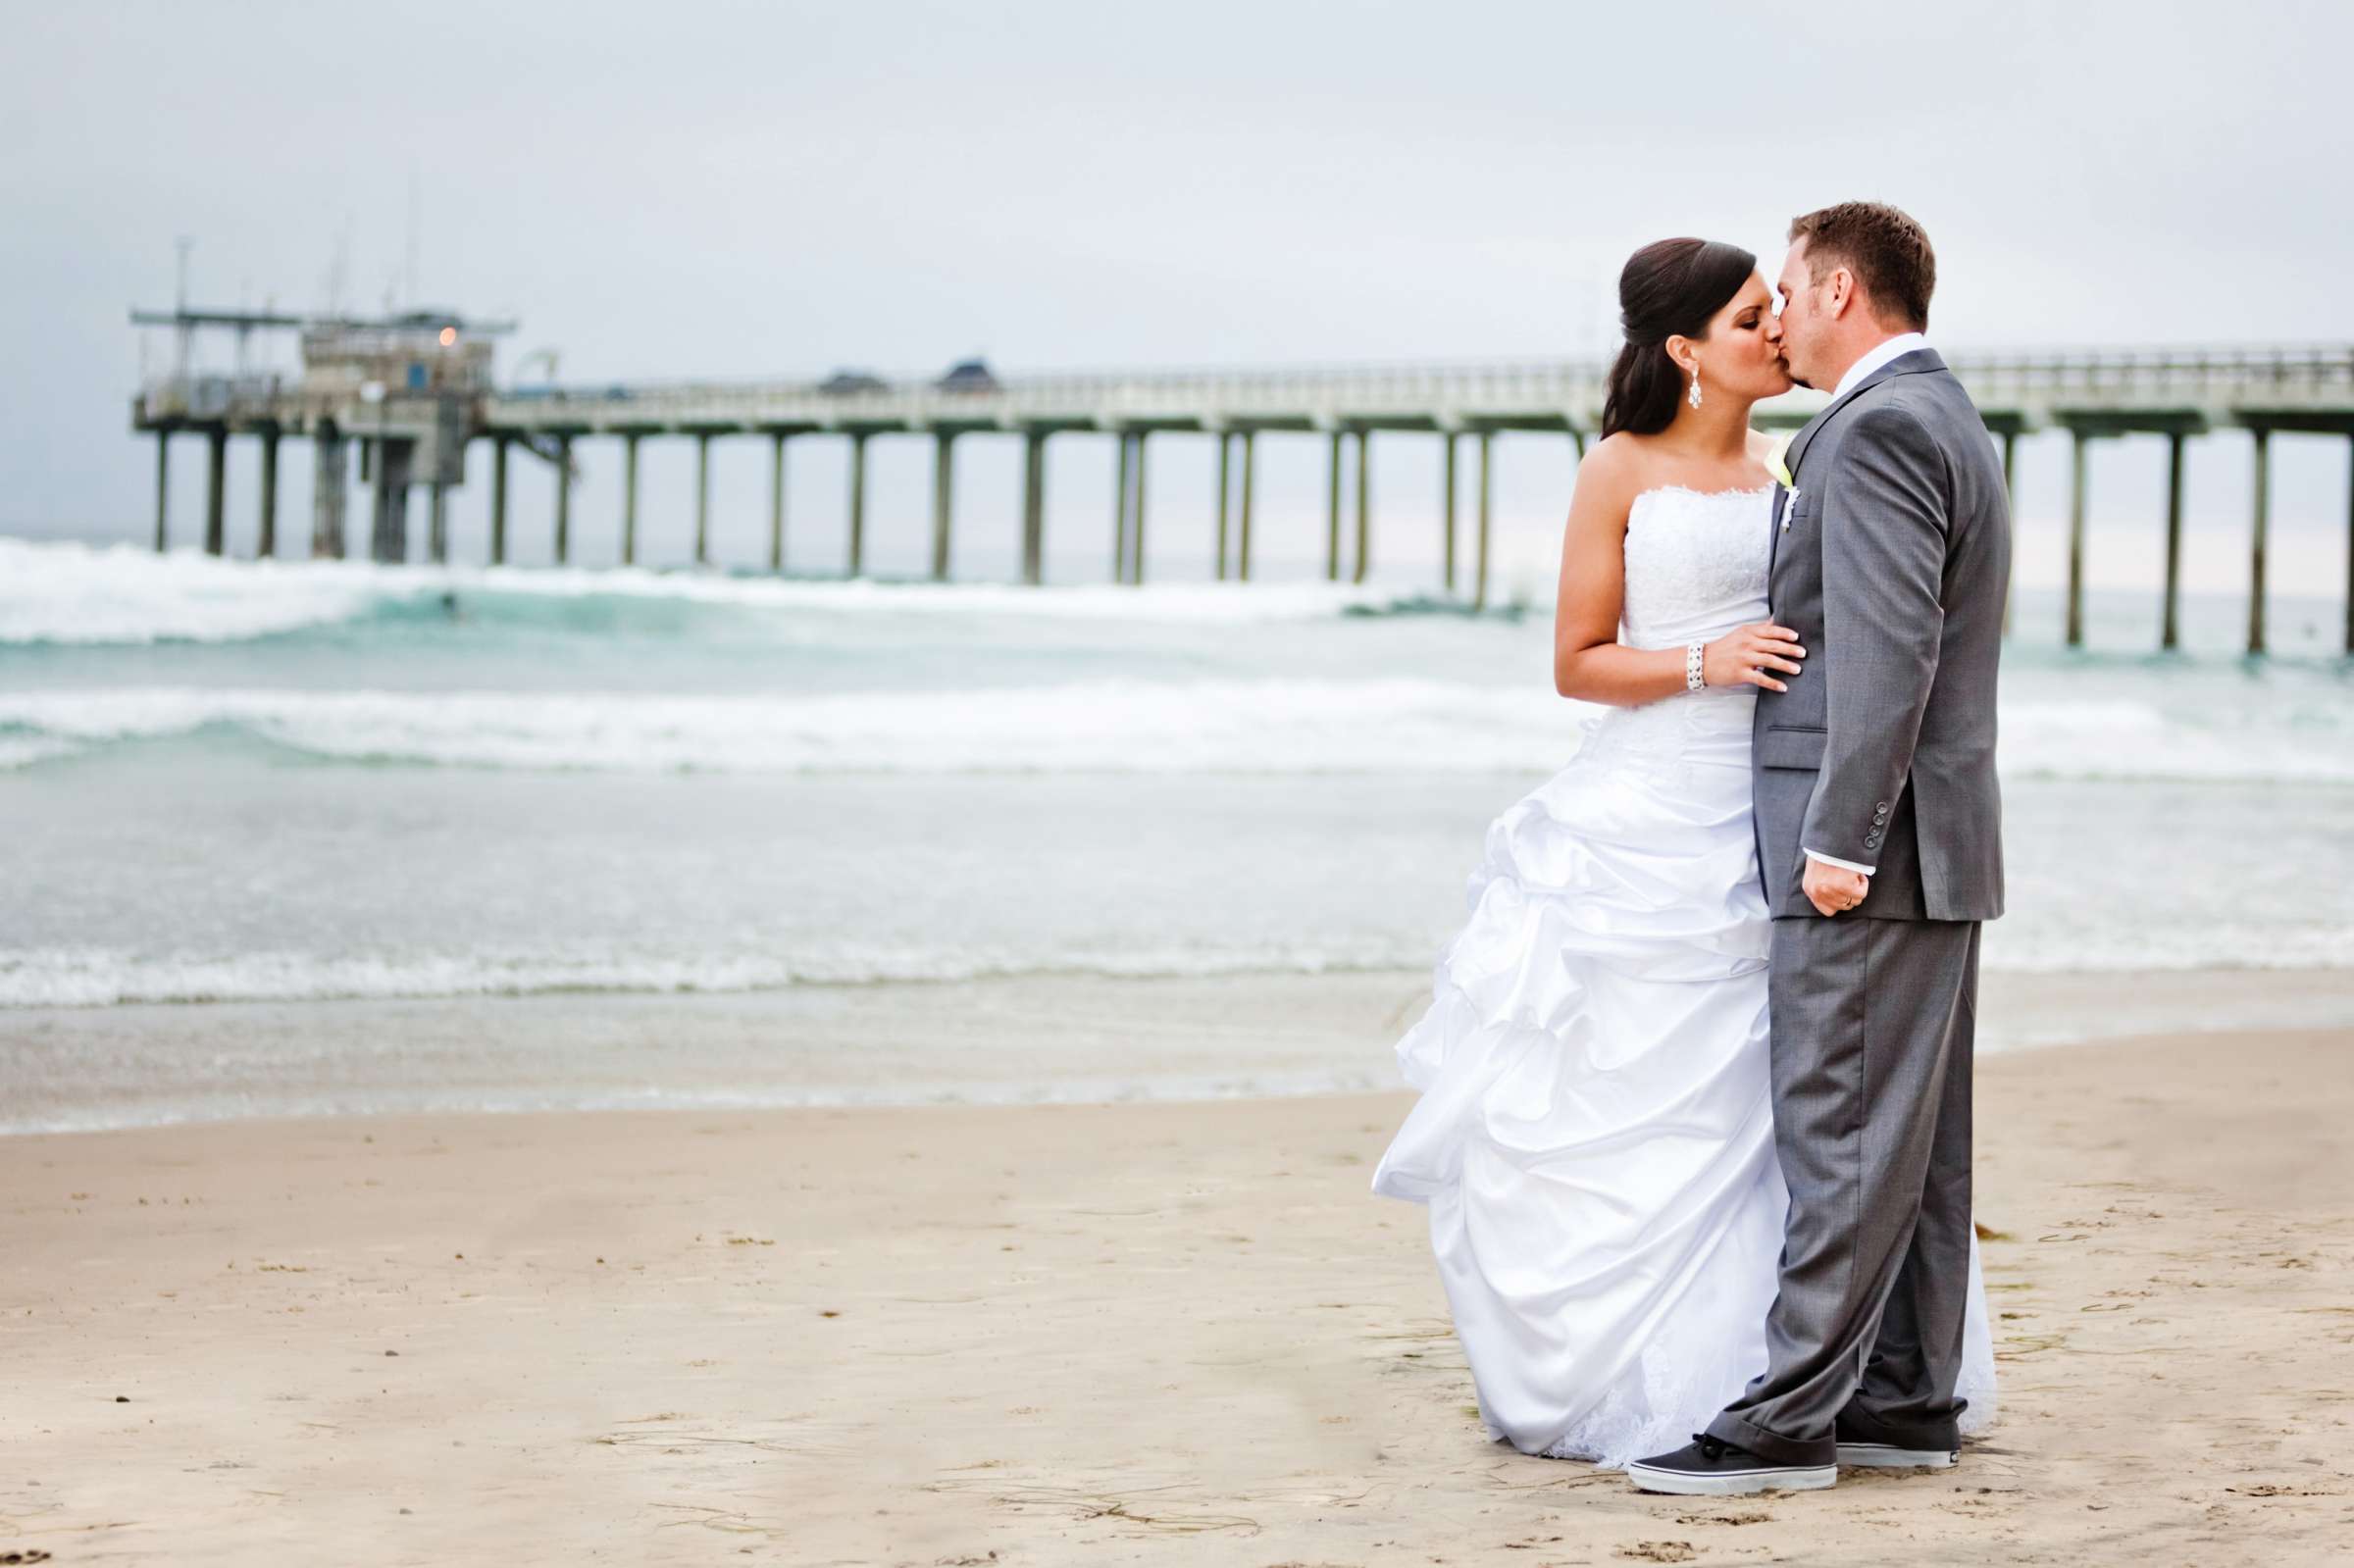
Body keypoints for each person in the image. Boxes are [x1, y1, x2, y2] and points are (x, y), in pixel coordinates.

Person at [1369, 227, 1997, 1475]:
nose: (1775, 332)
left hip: (1777, 817)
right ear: (1684, 351)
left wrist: (1838, 822)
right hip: (1657, 812)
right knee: (1658, 1095)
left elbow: (1876, 641)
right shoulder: (1619, 468)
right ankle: (1692, 1377)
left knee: (1795, 1116)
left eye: (1779, 307)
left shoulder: (1796, 469)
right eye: (1749, 318)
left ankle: (1798, 1386)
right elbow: (1576, 662)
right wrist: (1706, 660)